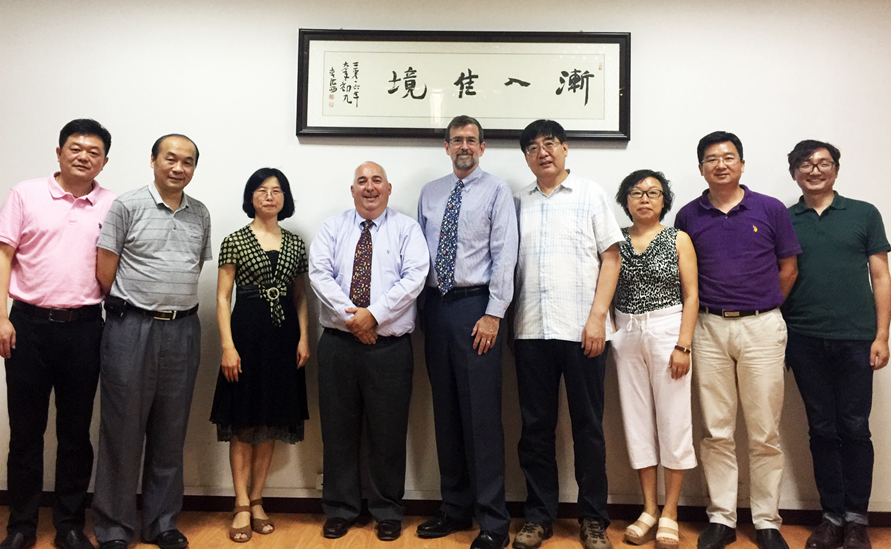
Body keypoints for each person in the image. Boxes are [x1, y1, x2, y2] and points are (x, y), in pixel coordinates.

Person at [674, 131, 800, 549]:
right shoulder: (688, 216)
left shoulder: (770, 208)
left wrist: (762, 306)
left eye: (729, 157)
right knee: (716, 431)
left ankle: (766, 521)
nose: (721, 164)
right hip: (708, 328)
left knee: (765, 432)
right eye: (712, 159)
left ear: (742, 164)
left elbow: (788, 268)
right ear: (701, 169)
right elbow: (685, 277)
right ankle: (722, 518)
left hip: (762, 327)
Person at [92, 134, 212, 549]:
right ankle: (114, 527)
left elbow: (193, 267)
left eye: (188, 161)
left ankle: (161, 522)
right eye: (171, 158)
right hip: (131, 328)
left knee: (170, 431)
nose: (179, 168)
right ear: (153, 160)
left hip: (183, 329)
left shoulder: (200, 213)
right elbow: (105, 272)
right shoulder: (126, 206)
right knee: (122, 432)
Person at [0, 119, 115, 549]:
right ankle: (21, 526)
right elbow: (4, 255)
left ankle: (69, 524)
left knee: (75, 433)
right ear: (59, 152)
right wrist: (1, 317)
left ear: (104, 161)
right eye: (75, 148)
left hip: (85, 328)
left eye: (93, 151)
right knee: (26, 433)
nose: (84, 156)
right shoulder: (25, 193)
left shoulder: (112, 204)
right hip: (27, 326)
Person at [510, 120, 622, 549]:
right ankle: (539, 517)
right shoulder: (518, 202)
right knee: (535, 430)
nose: (543, 152)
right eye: (533, 147)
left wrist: (598, 318)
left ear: (565, 148)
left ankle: (593, 519)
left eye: (550, 143)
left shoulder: (591, 194)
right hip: (530, 331)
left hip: (583, 332)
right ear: (526, 158)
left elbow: (611, 259)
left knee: (588, 428)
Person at [309, 161, 428, 542]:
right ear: (352, 190)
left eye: (377, 180)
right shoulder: (332, 228)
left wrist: (373, 315)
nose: (370, 187)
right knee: (338, 431)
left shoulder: (407, 229)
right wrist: (354, 319)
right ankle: (340, 508)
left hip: (389, 349)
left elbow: (415, 277)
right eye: (362, 181)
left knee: (387, 434)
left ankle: (387, 511)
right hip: (338, 345)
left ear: (389, 189)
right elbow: (319, 275)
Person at [781, 140, 890, 549]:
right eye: (805, 164)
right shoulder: (784, 218)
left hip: (857, 339)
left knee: (855, 428)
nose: (815, 170)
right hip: (803, 338)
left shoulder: (864, 213)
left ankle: (857, 520)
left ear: (836, 170)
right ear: (794, 172)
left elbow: (881, 276)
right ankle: (831, 517)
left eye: (823, 163)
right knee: (821, 429)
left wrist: (882, 335)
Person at [416, 115, 518, 549]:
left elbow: (505, 253)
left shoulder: (497, 191)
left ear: (482, 147)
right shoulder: (430, 192)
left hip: (477, 308)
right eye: (456, 139)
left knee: (481, 418)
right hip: (436, 308)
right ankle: (454, 508)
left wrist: (494, 313)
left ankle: (493, 520)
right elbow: (418, 255)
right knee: (446, 414)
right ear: (446, 146)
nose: (464, 146)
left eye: (471, 140)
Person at [209, 168, 310, 543]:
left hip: (284, 341)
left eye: (277, 190)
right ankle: (239, 502)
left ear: (285, 198)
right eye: (262, 190)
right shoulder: (235, 240)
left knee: (271, 419)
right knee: (243, 421)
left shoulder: (296, 243)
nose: (269, 196)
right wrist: (228, 346)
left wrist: (304, 337)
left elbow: (300, 295)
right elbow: (222, 297)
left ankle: (257, 499)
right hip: (245, 338)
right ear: (251, 196)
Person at [610, 170, 698, 549]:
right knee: (637, 420)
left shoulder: (678, 238)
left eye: (653, 192)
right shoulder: (615, 240)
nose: (645, 198)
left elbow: (692, 295)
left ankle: (671, 511)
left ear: (664, 201)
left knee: (674, 420)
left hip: (668, 331)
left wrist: (684, 345)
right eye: (636, 192)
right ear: (625, 201)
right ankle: (648, 508)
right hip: (626, 332)